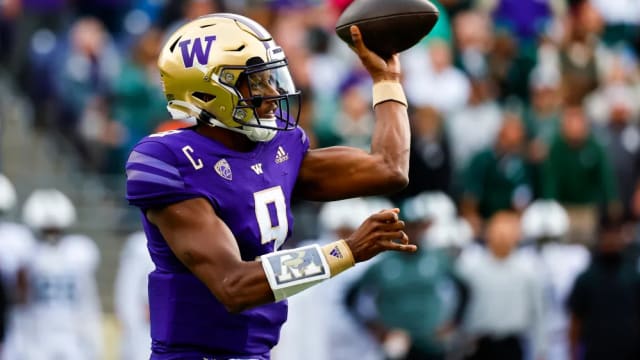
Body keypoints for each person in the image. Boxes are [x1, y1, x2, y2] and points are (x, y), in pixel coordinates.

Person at [125, 13, 416, 360]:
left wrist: (386, 79)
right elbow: (233, 286)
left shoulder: (280, 148)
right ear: (210, 89)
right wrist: (346, 251)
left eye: (272, 78)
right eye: (257, 82)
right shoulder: (171, 160)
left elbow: (389, 168)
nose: (274, 93)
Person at [18, 189, 103, 359]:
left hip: (70, 332)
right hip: (40, 333)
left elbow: (87, 298)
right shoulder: (26, 252)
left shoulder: (79, 251)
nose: (51, 235)